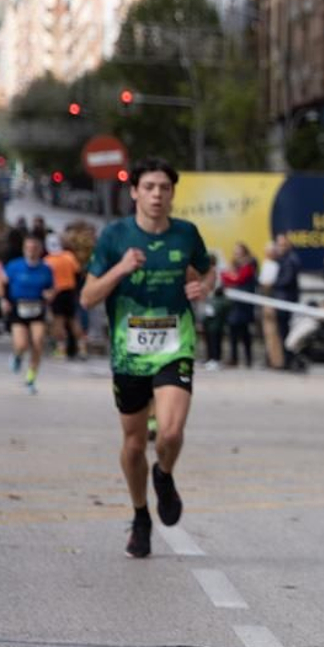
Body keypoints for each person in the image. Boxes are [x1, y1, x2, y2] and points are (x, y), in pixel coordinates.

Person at [80, 158, 215, 559]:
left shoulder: (186, 234)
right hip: (129, 353)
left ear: (172, 194)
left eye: (165, 188)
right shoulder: (115, 237)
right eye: (150, 187)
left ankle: (165, 474)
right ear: (135, 192)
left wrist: (202, 287)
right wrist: (120, 269)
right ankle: (141, 515)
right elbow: (88, 297)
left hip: (176, 345)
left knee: (170, 433)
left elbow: (207, 273)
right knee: (135, 444)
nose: (158, 194)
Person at [0, 231, 55, 394]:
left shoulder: (46, 268)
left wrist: (49, 294)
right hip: (19, 307)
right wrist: (3, 299)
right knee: (21, 344)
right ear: (24, 249)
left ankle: (30, 378)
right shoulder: (14, 265)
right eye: (28, 247)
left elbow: (52, 288)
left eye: (35, 247)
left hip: (37, 307)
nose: (31, 250)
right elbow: (0, 281)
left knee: (38, 342)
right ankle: (17, 356)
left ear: (40, 249)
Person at [44, 233, 84, 360]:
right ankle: (82, 348)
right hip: (70, 291)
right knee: (74, 320)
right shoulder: (69, 256)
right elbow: (78, 273)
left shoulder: (48, 261)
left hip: (57, 292)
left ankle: (61, 349)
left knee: (58, 322)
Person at [221, 243, 258, 367]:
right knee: (233, 332)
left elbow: (238, 279)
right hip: (234, 304)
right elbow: (228, 279)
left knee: (245, 332)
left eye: (238, 252)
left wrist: (227, 275)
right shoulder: (235, 265)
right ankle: (234, 358)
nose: (236, 254)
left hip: (244, 305)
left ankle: (248, 359)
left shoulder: (249, 265)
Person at [271, 233, 301, 369]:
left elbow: (286, 280)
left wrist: (271, 283)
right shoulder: (282, 259)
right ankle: (283, 360)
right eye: (278, 244)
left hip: (285, 301)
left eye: (282, 244)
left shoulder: (290, 260)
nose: (279, 247)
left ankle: (288, 361)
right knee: (282, 332)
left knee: (286, 332)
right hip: (281, 300)